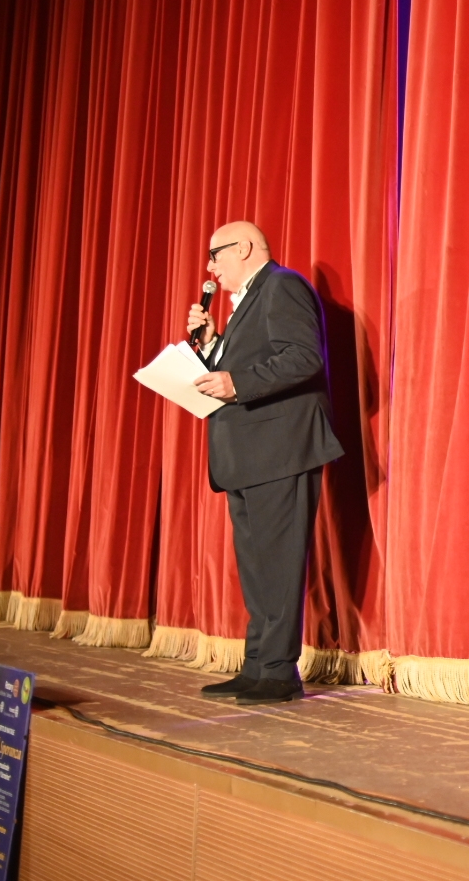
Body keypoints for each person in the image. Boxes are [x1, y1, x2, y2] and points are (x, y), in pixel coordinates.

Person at [184, 221, 343, 705]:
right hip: (249, 454)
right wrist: (212, 344)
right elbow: (247, 365)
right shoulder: (246, 302)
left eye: (215, 254)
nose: (210, 267)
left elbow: (303, 358)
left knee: (278, 564)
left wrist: (236, 383)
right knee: (256, 568)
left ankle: (278, 672)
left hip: (280, 449)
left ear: (245, 247)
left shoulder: (282, 285)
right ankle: (257, 665)